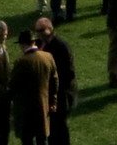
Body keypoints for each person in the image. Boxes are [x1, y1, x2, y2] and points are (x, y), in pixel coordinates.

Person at [33, 17, 76, 145]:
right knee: (51, 129)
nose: (38, 33)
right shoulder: (40, 44)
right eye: (37, 31)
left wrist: (54, 89)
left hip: (61, 94)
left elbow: (69, 73)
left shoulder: (61, 46)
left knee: (60, 129)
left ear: (49, 29)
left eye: (40, 30)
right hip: (48, 94)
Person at [10, 28, 56, 145]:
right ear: (34, 42)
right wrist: (53, 102)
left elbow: (13, 85)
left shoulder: (21, 61)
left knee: (27, 139)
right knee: (42, 139)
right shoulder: (48, 56)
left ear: (22, 44)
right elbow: (54, 81)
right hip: (43, 105)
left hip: (25, 109)